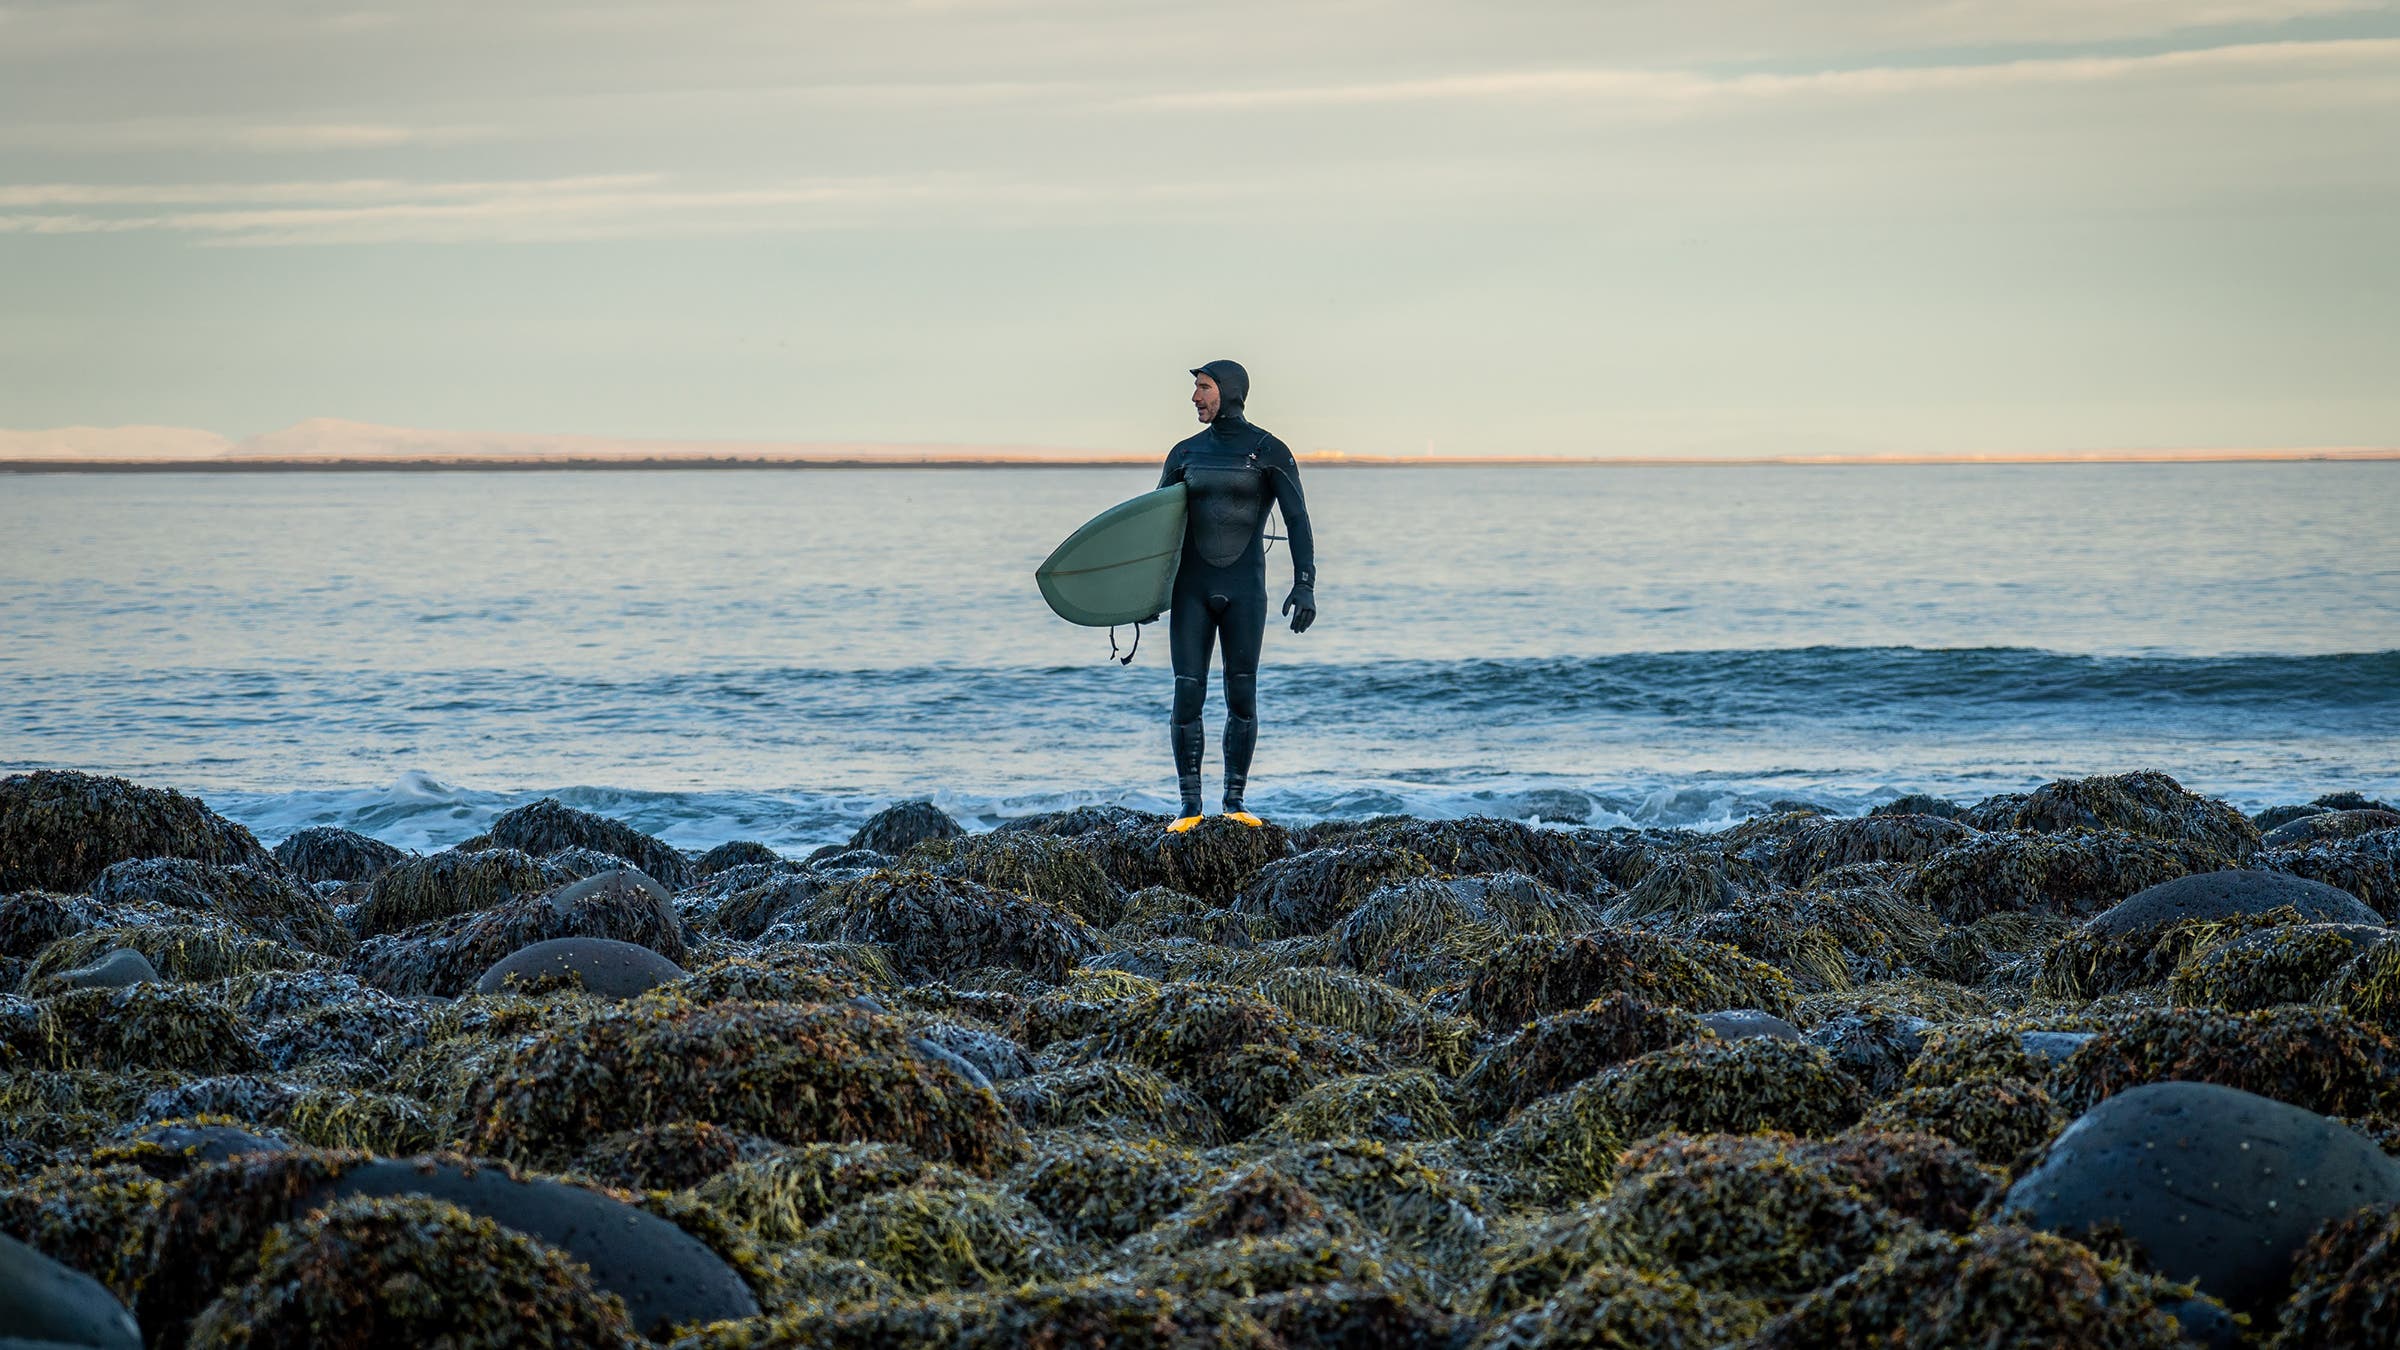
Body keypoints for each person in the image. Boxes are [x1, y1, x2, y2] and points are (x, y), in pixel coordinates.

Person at [1154, 359, 1316, 832]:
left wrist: (1304, 582)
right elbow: (1155, 530)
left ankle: (1235, 801)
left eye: (1203, 388)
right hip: (1191, 589)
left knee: (1241, 695)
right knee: (1188, 694)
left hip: (1245, 589)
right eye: (1196, 389)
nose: (1195, 397)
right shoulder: (1184, 453)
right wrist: (1143, 595)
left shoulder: (1268, 450)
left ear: (1228, 391)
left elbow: (1298, 519)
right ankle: (1189, 807)